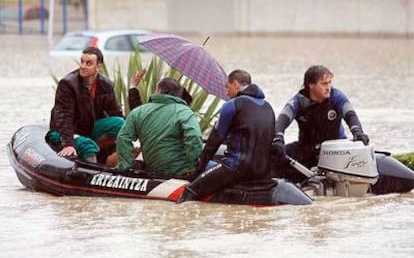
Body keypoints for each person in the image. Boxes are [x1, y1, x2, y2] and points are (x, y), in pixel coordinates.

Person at [177, 69, 276, 203]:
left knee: (190, 192)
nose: (226, 92)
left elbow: (214, 141)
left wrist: (198, 170)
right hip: (262, 172)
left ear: (235, 84)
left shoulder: (232, 105)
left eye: (227, 87)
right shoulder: (268, 107)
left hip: (236, 169)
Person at [272, 65, 370, 183]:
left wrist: (357, 132)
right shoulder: (298, 101)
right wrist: (278, 139)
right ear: (311, 85)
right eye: (324, 84)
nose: (328, 87)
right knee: (273, 156)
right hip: (307, 148)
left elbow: (350, 114)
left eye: (329, 83)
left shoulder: (337, 96)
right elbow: (281, 121)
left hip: (335, 149)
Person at [47, 46, 143, 164]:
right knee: (88, 146)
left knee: (119, 123)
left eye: (88, 63)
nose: (83, 66)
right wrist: (68, 144)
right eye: (82, 62)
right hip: (63, 131)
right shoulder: (67, 84)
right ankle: (93, 172)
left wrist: (134, 138)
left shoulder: (106, 84)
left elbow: (115, 112)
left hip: (89, 127)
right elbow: (63, 116)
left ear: (98, 66)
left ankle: (125, 162)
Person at [116, 77, 203, 177]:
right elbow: (194, 137)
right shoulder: (185, 112)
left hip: (153, 170)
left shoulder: (138, 112)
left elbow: (122, 137)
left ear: (158, 90)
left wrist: (127, 165)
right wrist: (192, 167)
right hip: (180, 172)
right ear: (179, 94)